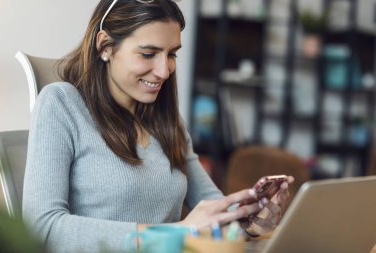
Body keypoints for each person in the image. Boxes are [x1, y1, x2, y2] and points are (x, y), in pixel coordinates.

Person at [22, 0, 294, 252]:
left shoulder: (166, 119)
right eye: (149, 54)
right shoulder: (61, 103)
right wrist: (174, 232)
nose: (164, 71)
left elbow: (212, 209)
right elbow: (42, 227)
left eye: (172, 54)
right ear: (105, 46)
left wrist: (250, 217)